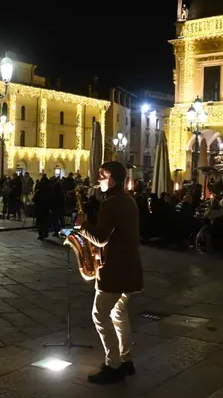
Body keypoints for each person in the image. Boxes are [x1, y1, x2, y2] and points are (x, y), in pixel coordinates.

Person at [75, 161, 143, 385]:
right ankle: (126, 360)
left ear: (112, 179)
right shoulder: (129, 201)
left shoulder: (111, 203)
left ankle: (113, 364)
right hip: (130, 269)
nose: (98, 179)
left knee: (100, 315)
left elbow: (101, 238)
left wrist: (83, 225)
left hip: (114, 271)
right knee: (118, 315)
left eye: (102, 176)